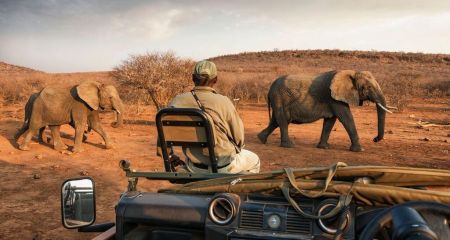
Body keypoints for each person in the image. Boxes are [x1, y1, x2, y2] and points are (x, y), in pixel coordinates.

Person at [166, 60, 260, 174]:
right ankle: (237, 187)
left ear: (192, 78)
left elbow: (164, 134)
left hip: (194, 167)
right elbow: (239, 138)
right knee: (254, 160)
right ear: (215, 80)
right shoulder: (224, 102)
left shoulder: (177, 101)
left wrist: (170, 155)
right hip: (223, 167)